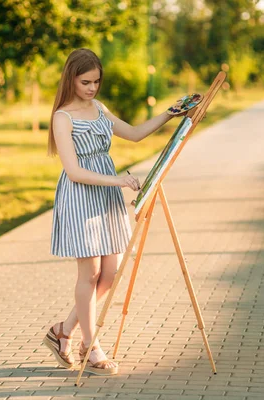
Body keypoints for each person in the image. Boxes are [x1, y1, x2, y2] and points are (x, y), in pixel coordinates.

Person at [43, 48, 179, 376]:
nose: (92, 88)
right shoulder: (63, 117)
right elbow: (74, 171)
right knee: (88, 276)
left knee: (110, 275)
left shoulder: (99, 109)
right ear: (71, 79)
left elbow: (133, 134)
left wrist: (169, 114)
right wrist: (116, 180)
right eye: (85, 81)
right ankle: (90, 348)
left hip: (106, 199)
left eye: (96, 82)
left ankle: (63, 329)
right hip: (81, 198)